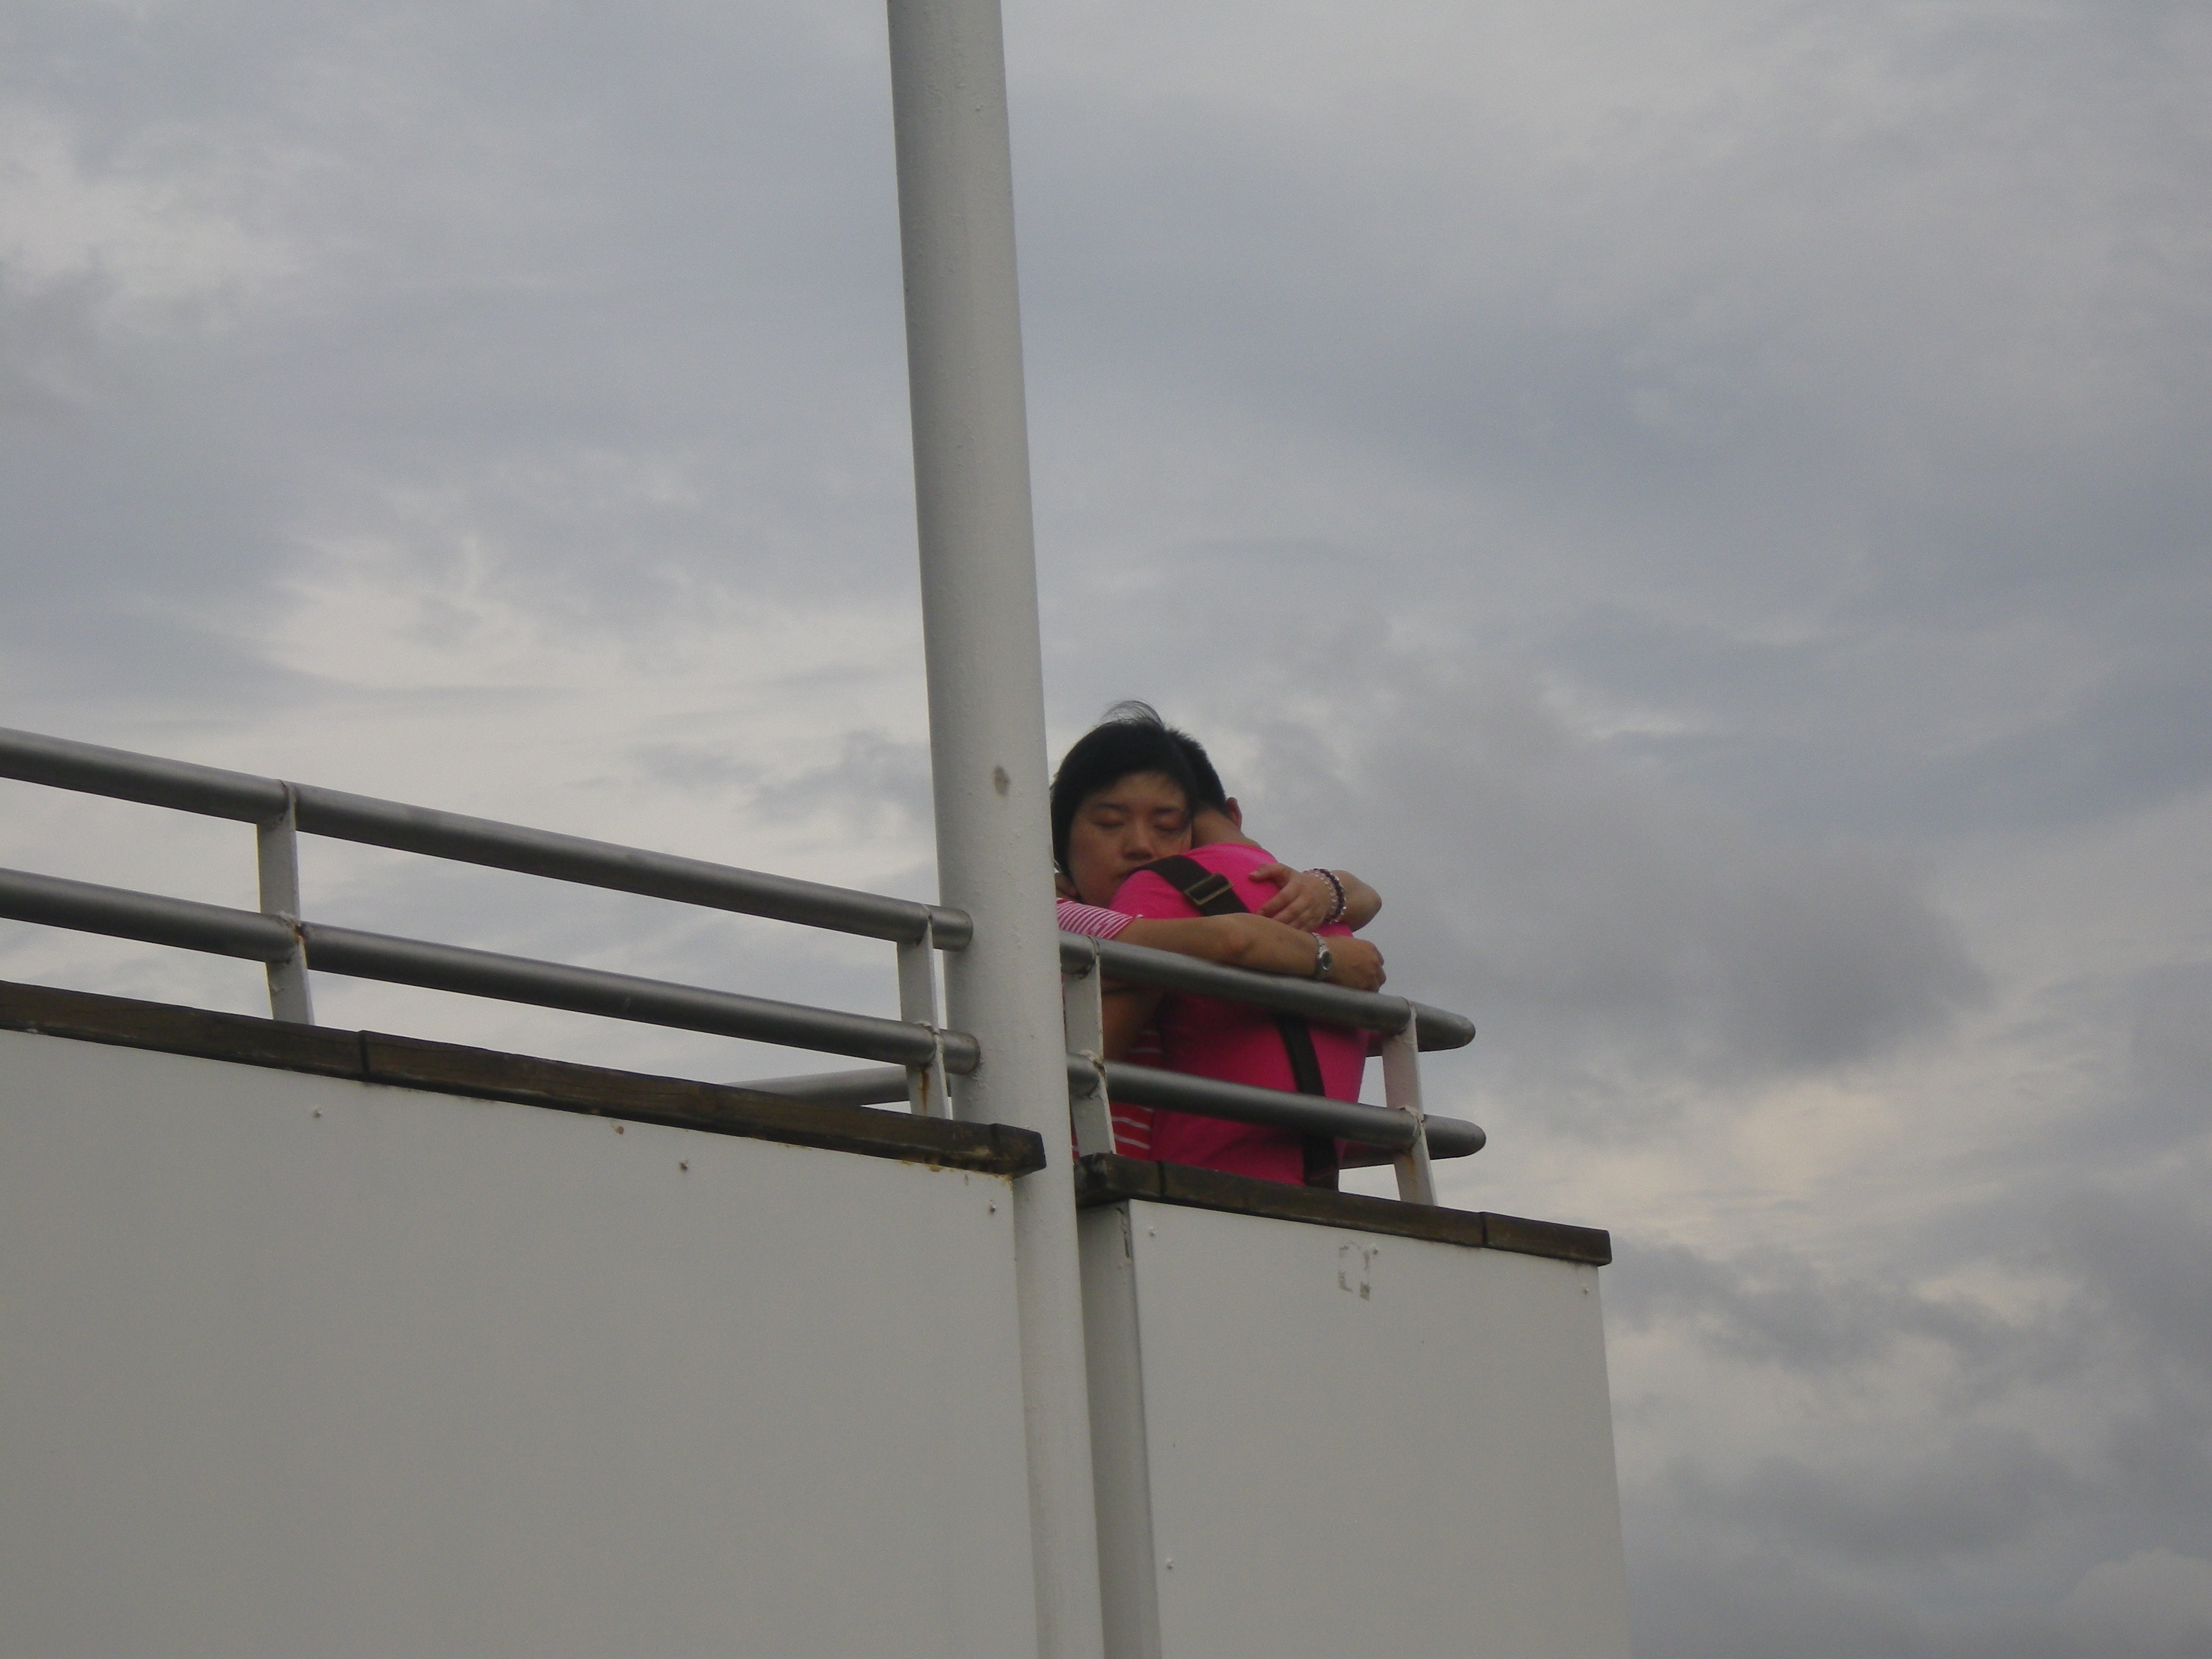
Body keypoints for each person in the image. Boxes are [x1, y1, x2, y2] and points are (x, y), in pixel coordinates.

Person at [1049, 706, 1378, 1186]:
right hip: (1066, 1184)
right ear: (1059, 842)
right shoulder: (1055, 915)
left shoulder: (1139, 916)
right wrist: (1326, 958)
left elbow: (1366, 898)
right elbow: (1232, 938)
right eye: (1110, 823)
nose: (1141, 845)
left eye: (1167, 827)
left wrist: (1332, 889)